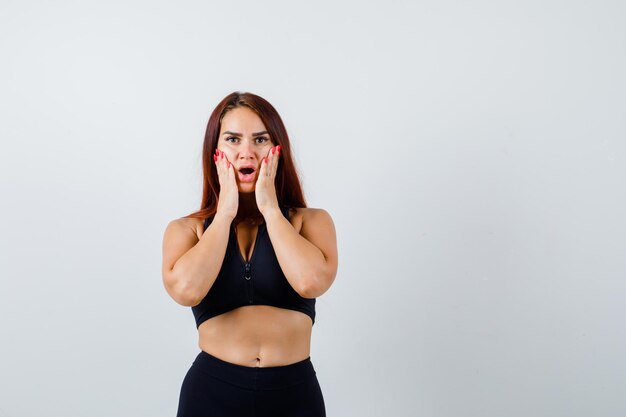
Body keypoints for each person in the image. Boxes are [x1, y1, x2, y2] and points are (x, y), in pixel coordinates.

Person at [161, 91, 338, 417]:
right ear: (215, 151)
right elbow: (187, 290)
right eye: (232, 139)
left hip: (294, 395)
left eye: (260, 140)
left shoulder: (310, 221)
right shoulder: (187, 230)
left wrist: (271, 209)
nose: (247, 152)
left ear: (277, 149)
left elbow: (310, 282)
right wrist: (224, 212)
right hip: (212, 393)